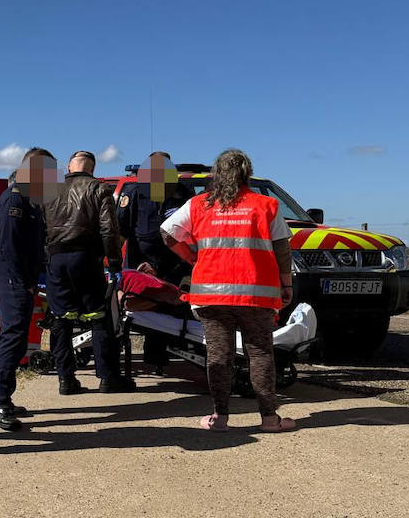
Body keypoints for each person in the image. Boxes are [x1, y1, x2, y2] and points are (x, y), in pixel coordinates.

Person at [161, 148, 297, 432]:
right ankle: (270, 419)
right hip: (256, 295)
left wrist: (191, 257)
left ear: (216, 174)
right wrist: (286, 284)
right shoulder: (266, 206)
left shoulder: (198, 205)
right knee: (259, 354)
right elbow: (282, 249)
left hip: (211, 295)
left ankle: (219, 418)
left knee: (219, 356)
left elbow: (167, 232)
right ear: (247, 173)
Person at [45, 150, 133, 393]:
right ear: (92, 169)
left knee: (61, 319)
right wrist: (114, 262)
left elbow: (42, 227)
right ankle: (107, 377)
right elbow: (109, 229)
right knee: (98, 317)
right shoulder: (98, 188)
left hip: (56, 259)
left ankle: (66, 379)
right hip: (86, 259)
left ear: (69, 167)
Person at [0, 148, 56, 431]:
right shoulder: (15, 199)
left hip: (20, 275)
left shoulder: (29, 201)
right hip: (11, 274)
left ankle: (2, 396)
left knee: (15, 334)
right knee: (12, 334)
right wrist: (21, 282)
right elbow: (11, 247)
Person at [117, 151, 191, 373]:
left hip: (171, 262)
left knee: (167, 307)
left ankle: (158, 357)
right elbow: (122, 230)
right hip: (139, 263)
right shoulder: (134, 192)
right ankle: (136, 358)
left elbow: (188, 230)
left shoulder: (181, 192)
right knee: (137, 311)